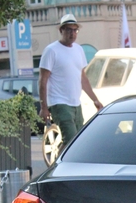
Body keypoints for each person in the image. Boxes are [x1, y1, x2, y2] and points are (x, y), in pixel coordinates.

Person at [39, 14, 103, 147]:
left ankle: (58, 165)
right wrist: (44, 107)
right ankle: (57, 168)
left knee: (77, 142)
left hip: (75, 103)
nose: (72, 33)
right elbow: (42, 80)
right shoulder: (51, 50)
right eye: (69, 30)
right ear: (61, 30)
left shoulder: (78, 50)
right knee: (71, 142)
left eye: (75, 30)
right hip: (59, 102)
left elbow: (83, 78)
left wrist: (95, 99)